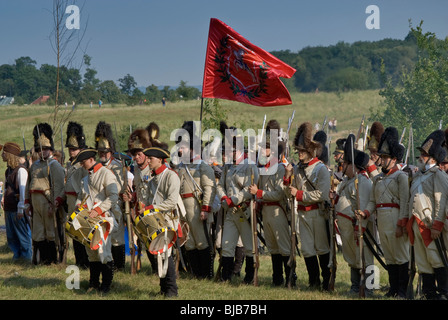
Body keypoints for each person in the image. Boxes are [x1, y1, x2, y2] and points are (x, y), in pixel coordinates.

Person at [360, 127, 409, 298]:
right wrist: (366, 212)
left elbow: (405, 202)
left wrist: (401, 224)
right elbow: (373, 201)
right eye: (383, 157)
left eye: (386, 157)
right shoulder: (378, 179)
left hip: (395, 218)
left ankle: (402, 290)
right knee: (389, 257)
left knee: (401, 256)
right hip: (382, 219)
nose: (383, 160)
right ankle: (393, 288)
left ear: (394, 159)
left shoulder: (401, 177)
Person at [284, 122, 331, 291]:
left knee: (322, 249)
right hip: (302, 214)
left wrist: (299, 194)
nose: (299, 154)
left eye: (302, 151)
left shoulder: (321, 170)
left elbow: (322, 195)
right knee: (307, 250)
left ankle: (326, 282)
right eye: (299, 151)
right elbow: (288, 190)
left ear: (310, 151)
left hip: (317, 214)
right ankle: (314, 281)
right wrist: (288, 175)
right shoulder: (298, 169)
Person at [249, 120, 294, 287]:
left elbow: (279, 193)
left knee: (283, 246)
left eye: (265, 147)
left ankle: (290, 278)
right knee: (272, 247)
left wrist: (259, 193)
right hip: (266, 211)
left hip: (277, 210)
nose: (261, 150)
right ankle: (277, 279)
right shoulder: (263, 167)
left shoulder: (281, 168)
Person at [407, 130, 448, 300]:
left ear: (432, 158)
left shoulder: (438, 175)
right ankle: (429, 293)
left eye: (424, 154)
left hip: (429, 224)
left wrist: (437, 224)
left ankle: (444, 292)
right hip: (416, 223)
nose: (421, 157)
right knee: (423, 262)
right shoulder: (418, 176)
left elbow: (441, 201)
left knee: (436, 259)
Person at [72, 148, 120, 294]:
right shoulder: (85, 179)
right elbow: (81, 196)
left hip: (104, 218)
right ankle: (93, 283)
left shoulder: (106, 174)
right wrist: (78, 204)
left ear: (91, 160)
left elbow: (113, 197)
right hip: (89, 221)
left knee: (103, 252)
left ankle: (106, 285)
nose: (82, 165)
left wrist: (98, 210)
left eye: (83, 162)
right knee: (91, 252)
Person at [216, 124, 259, 284]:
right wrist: (223, 198)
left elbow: (251, 189)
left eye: (233, 149)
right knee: (227, 245)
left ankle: (249, 278)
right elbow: (219, 185)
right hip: (230, 211)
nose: (230, 152)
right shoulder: (227, 167)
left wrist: (233, 200)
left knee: (249, 246)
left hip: (244, 211)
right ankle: (226, 276)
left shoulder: (250, 166)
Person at [175, 121, 216, 279]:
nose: (180, 150)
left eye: (183, 147)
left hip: (197, 209)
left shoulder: (202, 167)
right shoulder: (181, 167)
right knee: (189, 242)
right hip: (184, 209)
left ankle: (206, 274)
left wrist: (205, 209)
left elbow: (209, 189)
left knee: (202, 242)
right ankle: (195, 272)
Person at [140, 140, 181, 297]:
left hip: (167, 219)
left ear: (159, 159)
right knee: (155, 253)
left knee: (165, 254)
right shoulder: (152, 177)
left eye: (150, 158)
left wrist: (153, 208)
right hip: (155, 219)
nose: (148, 161)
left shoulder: (171, 176)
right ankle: (163, 288)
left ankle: (171, 290)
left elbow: (171, 201)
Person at [334, 134, 373, 295]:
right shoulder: (348, 181)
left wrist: (360, 227)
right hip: (348, 228)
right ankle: (355, 286)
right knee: (353, 258)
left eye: (346, 164)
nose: (343, 166)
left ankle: (370, 287)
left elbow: (362, 207)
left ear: (354, 166)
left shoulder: (362, 182)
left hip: (356, 227)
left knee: (365, 259)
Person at [25, 123, 66, 265]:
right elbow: (29, 185)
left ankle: (52, 260)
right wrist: (27, 202)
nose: (43, 152)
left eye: (46, 149)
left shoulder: (55, 166)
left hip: (48, 204)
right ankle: (41, 259)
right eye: (40, 149)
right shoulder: (34, 166)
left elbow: (59, 188)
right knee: (38, 233)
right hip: (36, 205)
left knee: (51, 233)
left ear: (50, 149)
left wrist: (54, 203)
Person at [94, 121, 126, 271]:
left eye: (105, 152)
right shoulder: (97, 167)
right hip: (101, 205)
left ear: (111, 152)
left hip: (115, 205)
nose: (102, 155)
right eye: (100, 152)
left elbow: (119, 187)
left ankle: (119, 266)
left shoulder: (117, 166)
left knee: (117, 238)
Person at [64, 121, 89, 268]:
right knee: (74, 232)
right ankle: (79, 261)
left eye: (74, 149)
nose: (71, 151)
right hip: (70, 201)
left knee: (82, 233)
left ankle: (85, 262)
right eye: (70, 149)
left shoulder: (82, 165)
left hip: (80, 202)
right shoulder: (70, 164)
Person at [1, 142, 32, 262]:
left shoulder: (21, 171)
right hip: (9, 208)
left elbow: (23, 191)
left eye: (4, 153)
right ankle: (17, 256)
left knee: (22, 236)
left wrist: (21, 208)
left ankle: (26, 258)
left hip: (17, 209)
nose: (2, 155)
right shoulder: (8, 170)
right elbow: (7, 188)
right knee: (11, 236)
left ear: (10, 155)